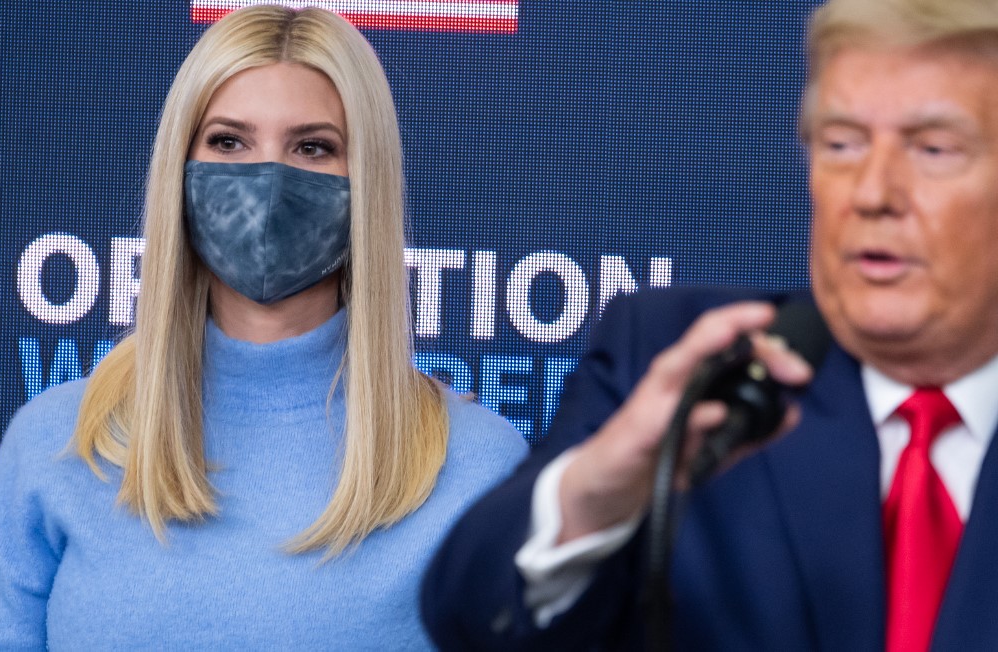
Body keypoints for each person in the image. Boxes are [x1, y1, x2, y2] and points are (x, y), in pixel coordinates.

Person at [421, 0, 998, 649]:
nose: (872, 192)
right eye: (842, 143)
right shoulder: (684, 365)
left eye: (933, 149)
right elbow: (470, 616)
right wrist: (593, 499)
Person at [0, 6, 527, 648]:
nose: (267, 180)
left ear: (366, 180)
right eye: (228, 141)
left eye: (313, 146)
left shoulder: (478, 468)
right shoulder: (57, 444)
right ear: (178, 171)